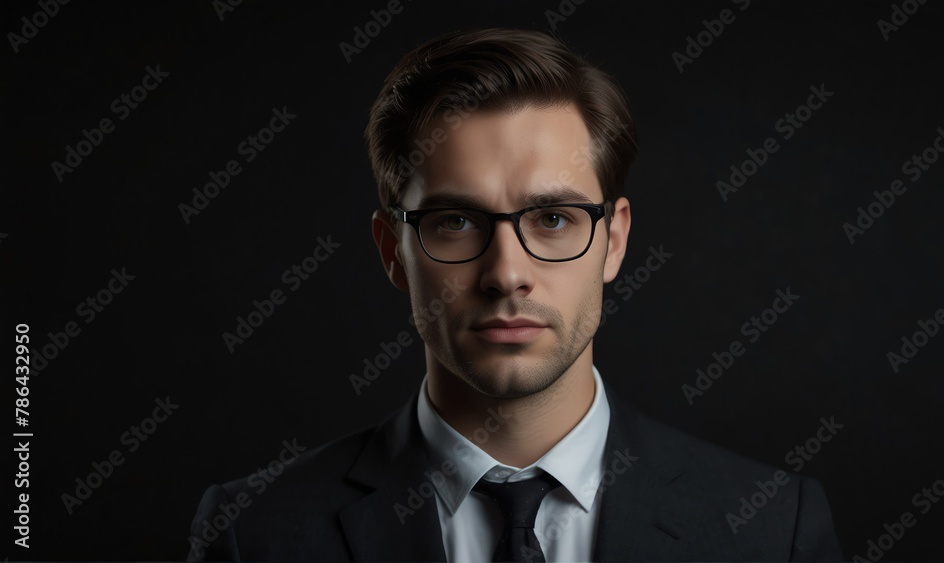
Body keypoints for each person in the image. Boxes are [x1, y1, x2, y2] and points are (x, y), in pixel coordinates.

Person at [186, 28, 842, 561]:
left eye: (552, 219)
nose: (506, 273)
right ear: (394, 252)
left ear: (613, 241)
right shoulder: (256, 535)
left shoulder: (770, 531)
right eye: (455, 221)